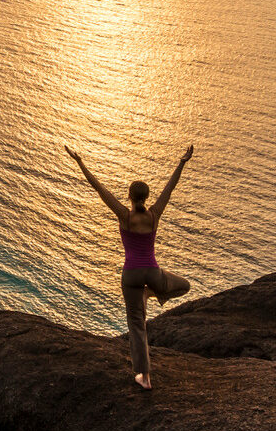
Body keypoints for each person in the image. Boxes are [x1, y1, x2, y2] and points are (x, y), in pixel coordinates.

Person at [64, 143, 195, 390]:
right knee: (184, 285)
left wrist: (80, 161)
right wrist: (182, 161)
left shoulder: (124, 216)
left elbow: (99, 188)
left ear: (130, 197)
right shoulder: (155, 214)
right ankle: (152, 293)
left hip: (131, 275)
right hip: (153, 272)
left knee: (137, 326)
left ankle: (144, 378)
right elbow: (171, 187)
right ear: (146, 197)